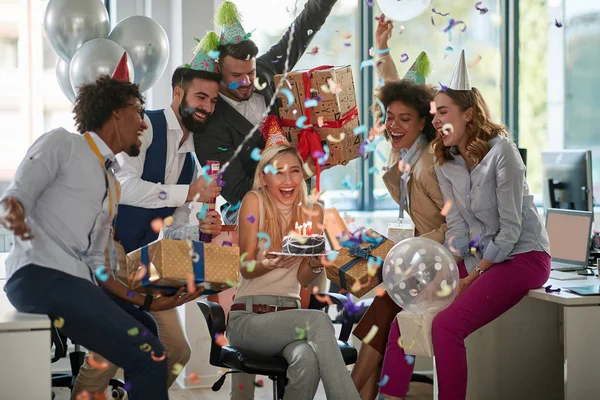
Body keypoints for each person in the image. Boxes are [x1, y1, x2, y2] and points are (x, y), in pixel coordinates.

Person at [0, 75, 204, 400]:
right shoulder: (62, 143)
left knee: (149, 330)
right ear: (115, 113)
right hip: (38, 276)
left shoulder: (112, 184)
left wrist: (148, 301)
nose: (142, 123)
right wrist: (18, 222)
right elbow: (14, 198)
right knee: (149, 354)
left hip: (76, 283)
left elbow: (98, 265)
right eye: (138, 112)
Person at [379, 51, 551, 400]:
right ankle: (389, 396)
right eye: (434, 113)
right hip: (480, 258)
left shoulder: (503, 153)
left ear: (467, 114)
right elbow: (457, 229)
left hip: (522, 257)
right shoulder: (446, 163)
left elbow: (511, 231)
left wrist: (473, 275)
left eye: (443, 112)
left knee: (446, 325)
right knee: (408, 312)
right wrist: (437, 269)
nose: (436, 120)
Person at [71, 41, 224, 398]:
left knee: (176, 350)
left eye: (213, 101)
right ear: (178, 93)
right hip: (114, 254)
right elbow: (123, 187)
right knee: (108, 350)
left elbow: (175, 226)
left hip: (150, 267)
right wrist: (187, 193)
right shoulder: (147, 127)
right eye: (201, 97)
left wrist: (197, 228)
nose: (207, 107)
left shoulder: (190, 159)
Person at [351, 15, 448, 400]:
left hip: (444, 257)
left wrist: (413, 253)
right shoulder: (403, 152)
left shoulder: (430, 163)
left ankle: (351, 393)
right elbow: (389, 92)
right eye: (390, 118)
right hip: (422, 255)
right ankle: (358, 393)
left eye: (404, 120)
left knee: (384, 312)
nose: (393, 125)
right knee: (379, 313)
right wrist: (382, 48)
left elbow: (455, 223)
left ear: (424, 121)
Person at [227, 141, 362, 400]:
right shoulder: (254, 201)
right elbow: (246, 267)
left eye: (295, 171)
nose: (288, 180)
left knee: (307, 359)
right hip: (249, 319)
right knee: (319, 319)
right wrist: (268, 264)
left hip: (290, 319)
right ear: (264, 178)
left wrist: (314, 264)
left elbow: (303, 278)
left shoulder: (313, 213)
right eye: (278, 172)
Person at [194, 0, 339, 225]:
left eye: (250, 73)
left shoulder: (264, 71)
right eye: (236, 76)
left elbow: (300, 32)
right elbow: (237, 192)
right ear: (218, 72)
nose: (246, 82)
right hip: (251, 217)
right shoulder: (210, 127)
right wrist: (303, 170)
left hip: (301, 206)